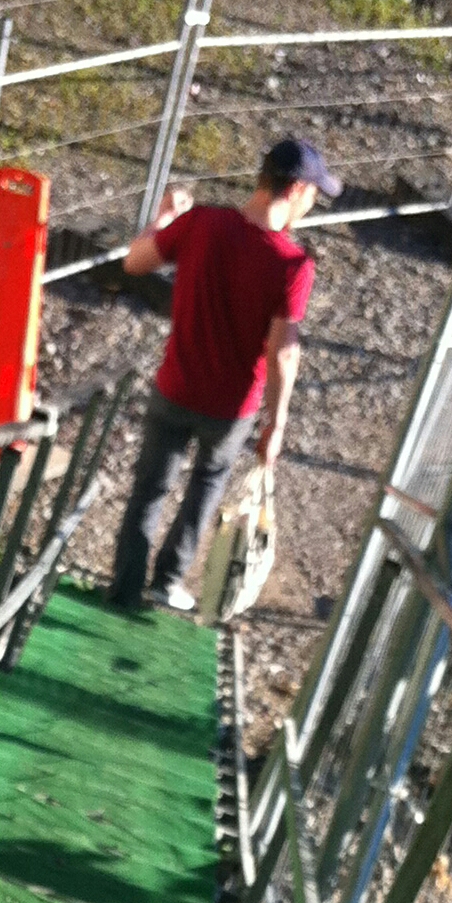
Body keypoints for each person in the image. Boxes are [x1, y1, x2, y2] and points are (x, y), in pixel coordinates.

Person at [107, 136, 340, 615]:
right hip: (232, 408)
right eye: (314, 193)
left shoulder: (201, 223)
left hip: (175, 387)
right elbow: (282, 352)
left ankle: (124, 587)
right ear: (296, 189)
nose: (312, 204)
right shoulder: (293, 265)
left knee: (148, 488)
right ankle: (167, 580)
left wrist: (164, 217)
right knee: (204, 489)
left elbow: (134, 262)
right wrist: (276, 424)